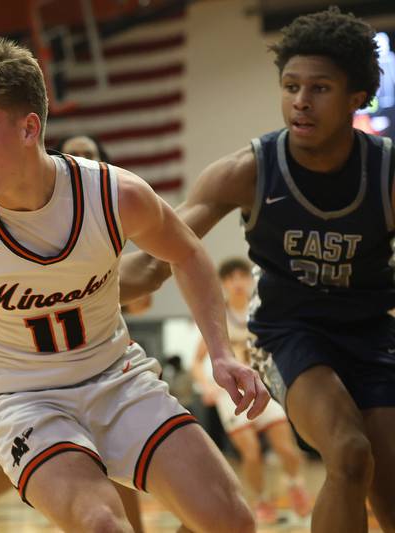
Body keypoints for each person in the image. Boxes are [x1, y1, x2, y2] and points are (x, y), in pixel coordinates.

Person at [0, 39, 267, 532]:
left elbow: (189, 254)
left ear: (29, 129)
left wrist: (220, 352)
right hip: (22, 400)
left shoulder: (116, 194)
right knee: (102, 524)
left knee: (232, 520)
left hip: (117, 379)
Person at [119, 8, 394, 532]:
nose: (301, 101)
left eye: (320, 88)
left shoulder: (384, 173)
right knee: (350, 451)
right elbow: (155, 262)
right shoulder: (248, 170)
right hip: (290, 333)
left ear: (358, 96)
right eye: (291, 86)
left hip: (372, 333)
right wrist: (61, 284)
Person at [0, 133, 148, 533]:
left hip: (95, 364)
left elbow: (140, 291)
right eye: (75, 154)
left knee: (116, 470)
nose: (81, 162)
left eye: (90, 156)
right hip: (26, 376)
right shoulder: (5, 218)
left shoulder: (105, 212)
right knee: (38, 460)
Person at [191, 258, 310, 524]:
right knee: (251, 451)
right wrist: (207, 385)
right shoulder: (217, 315)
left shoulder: (262, 311)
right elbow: (196, 362)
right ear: (223, 284)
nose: (237, 283)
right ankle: (262, 500)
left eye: (241, 276)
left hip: (261, 387)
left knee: (288, 449)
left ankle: (295, 483)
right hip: (230, 393)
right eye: (230, 278)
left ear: (249, 280)